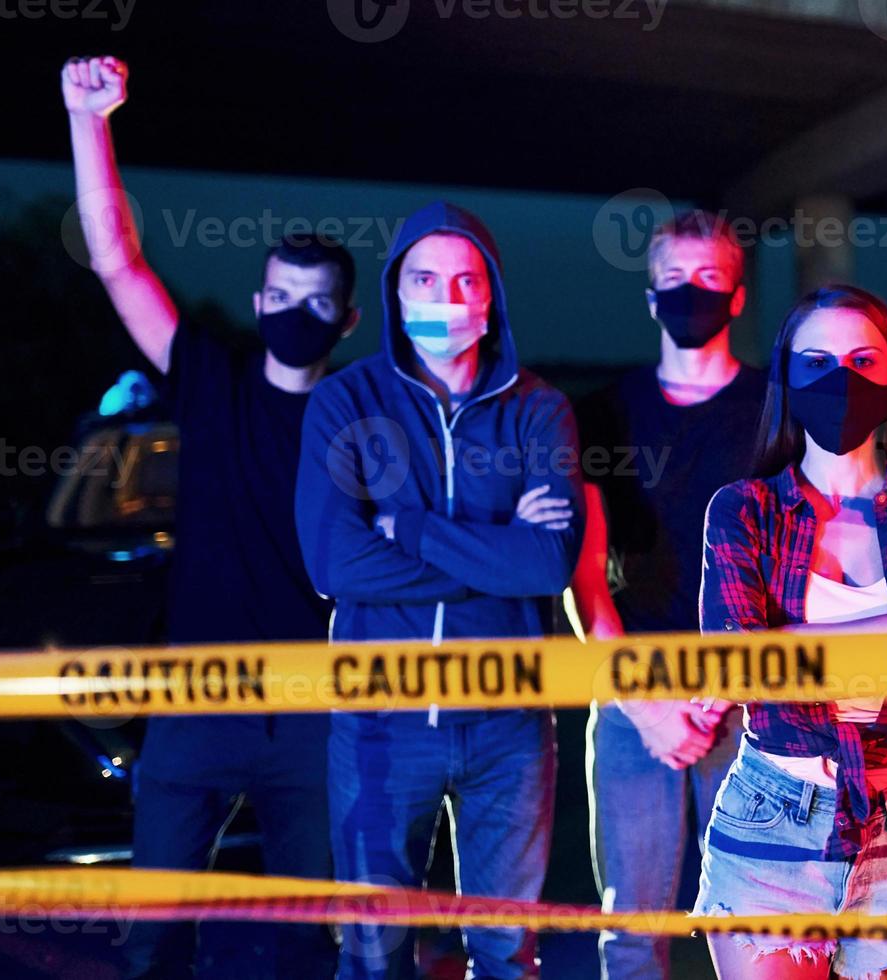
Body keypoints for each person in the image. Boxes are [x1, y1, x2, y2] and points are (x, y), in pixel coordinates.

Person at [64, 54, 353, 979]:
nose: (294, 314)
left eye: (317, 304)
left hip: (314, 708)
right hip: (195, 704)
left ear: (344, 321)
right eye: (280, 298)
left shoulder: (362, 418)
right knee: (154, 938)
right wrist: (89, 119)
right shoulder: (210, 379)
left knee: (308, 944)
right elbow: (115, 260)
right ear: (260, 301)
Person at [295, 201, 582, 979]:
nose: (446, 299)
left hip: (509, 729)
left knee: (505, 953)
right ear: (395, 291)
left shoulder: (541, 409)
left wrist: (407, 528)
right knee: (374, 952)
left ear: (491, 298)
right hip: (380, 726)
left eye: (465, 281)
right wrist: (498, 546)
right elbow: (332, 564)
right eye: (424, 279)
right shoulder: (344, 403)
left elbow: (548, 564)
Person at [694, 285, 887, 980]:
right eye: (818, 361)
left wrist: (785, 641)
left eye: (863, 360)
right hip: (771, 817)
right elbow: (735, 665)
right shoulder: (744, 512)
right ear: (788, 379)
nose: (841, 379)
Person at [572, 211, 767, 979]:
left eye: (710, 280)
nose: (693, 295)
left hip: (750, 695)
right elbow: (582, 575)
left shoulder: (774, 408)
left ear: (738, 297)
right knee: (631, 930)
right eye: (677, 282)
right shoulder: (600, 414)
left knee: (755, 923)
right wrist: (648, 705)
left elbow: (787, 562)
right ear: (651, 297)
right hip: (631, 699)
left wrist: (721, 691)